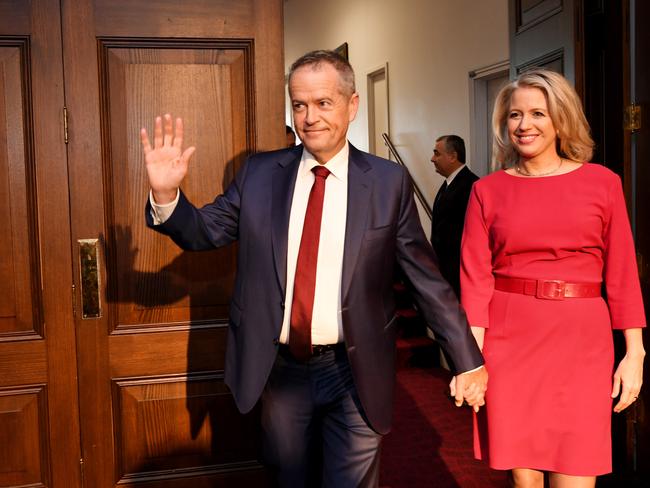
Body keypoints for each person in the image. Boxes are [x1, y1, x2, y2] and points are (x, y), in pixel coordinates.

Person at [140, 50, 487, 487]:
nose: (309, 117)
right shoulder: (260, 174)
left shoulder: (386, 182)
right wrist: (168, 197)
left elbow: (425, 280)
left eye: (323, 103)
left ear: (352, 105)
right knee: (290, 478)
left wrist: (466, 359)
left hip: (354, 369)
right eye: (299, 104)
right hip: (280, 369)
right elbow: (204, 232)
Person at [460, 68, 646, 487]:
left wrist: (634, 353)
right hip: (511, 343)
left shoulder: (603, 183)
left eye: (538, 113)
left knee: (577, 470)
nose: (524, 125)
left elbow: (621, 275)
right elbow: (475, 281)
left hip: (581, 342)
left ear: (561, 119)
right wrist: (470, 361)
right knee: (525, 480)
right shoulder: (486, 191)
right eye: (514, 115)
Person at [430, 135, 479, 298]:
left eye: (437, 153)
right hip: (445, 273)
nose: (432, 159)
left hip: (459, 276)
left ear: (452, 156)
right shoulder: (448, 184)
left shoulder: (472, 186)